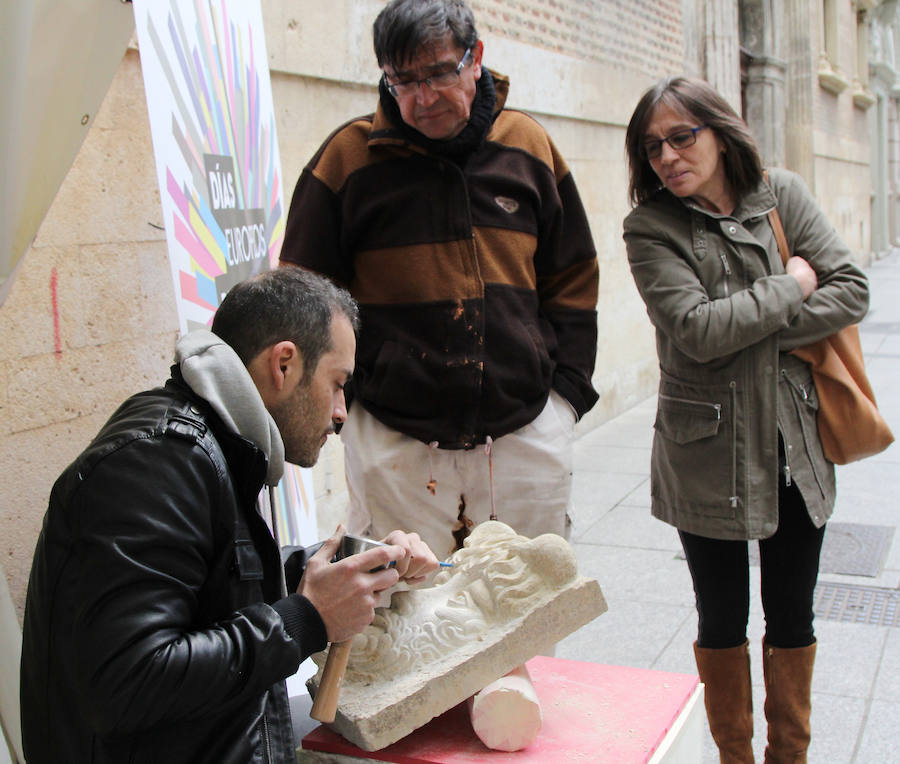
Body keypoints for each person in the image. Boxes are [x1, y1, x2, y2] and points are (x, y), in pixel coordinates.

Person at [19, 268, 439, 764]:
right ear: (283, 364)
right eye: (337, 384)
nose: (341, 412)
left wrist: (352, 567)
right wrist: (308, 618)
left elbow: (215, 584)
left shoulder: (213, 444)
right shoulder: (156, 461)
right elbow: (127, 681)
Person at [279, 0, 599, 559]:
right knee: (408, 619)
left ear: (475, 58)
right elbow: (303, 297)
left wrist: (564, 399)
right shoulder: (348, 159)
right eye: (402, 80)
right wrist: (347, 405)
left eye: (436, 73)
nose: (421, 98)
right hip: (395, 440)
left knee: (520, 608)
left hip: (524, 435)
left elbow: (572, 276)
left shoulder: (528, 146)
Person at [623, 77, 869, 763]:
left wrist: (747, 325)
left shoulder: (781, 195)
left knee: (793, 615)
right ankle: (735, 757)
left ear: (720, 131)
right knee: (722, 618)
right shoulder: (650, 228)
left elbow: (852, 288)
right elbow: (697, 331)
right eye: (652, 146)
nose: (667, 156)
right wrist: (790, 286)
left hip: (797, 445)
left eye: (681, 136)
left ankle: (789, 756)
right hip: (706, 454)